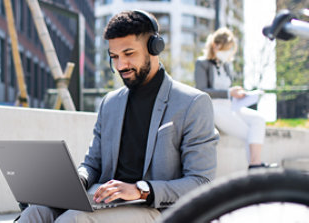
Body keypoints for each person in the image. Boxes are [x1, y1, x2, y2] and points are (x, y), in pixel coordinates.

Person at [18, 10, 218, 223]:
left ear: (154, 48)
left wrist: (141, 190)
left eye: (129, 53)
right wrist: (79, 180)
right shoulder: (110, 103)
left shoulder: (193, 103)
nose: (121, 65)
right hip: (105, 201)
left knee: (73, 220)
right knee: (35, 213)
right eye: (114, 57)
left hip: (157, 209)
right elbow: (92, 163)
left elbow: (201, 181)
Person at [194, 27, 269, 169]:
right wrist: (229, 92)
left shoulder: (227, 65)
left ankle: (255, 163)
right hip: (215, 109)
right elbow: (201, 90)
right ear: (216, 46)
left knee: (258, 120)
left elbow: (229, 89)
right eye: (226, 49)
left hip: (231, 106)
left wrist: (239, 94)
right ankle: (255, 166)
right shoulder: (202, 63)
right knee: (248, 133)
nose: (228, 53)